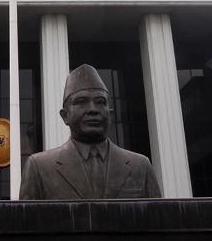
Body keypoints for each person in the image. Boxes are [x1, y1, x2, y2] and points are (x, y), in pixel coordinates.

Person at [19, 64, 162, 200]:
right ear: (65, 116)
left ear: (110, 115)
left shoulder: (141, 166)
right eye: (81, 102)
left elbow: (160, 216)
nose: (93, 109)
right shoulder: (39, 167)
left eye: (100, 102)